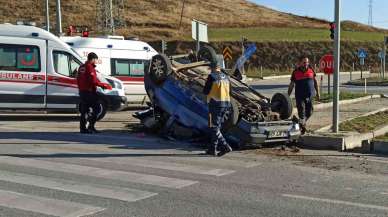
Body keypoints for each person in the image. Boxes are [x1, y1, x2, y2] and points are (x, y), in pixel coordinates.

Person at [203, 62, 233, 157]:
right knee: (217, 127)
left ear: (212, 68)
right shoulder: (226, 77)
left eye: (210, 68)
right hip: (226, 105)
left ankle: (225, 146)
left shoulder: (212, 77)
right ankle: (213, 148)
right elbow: (230, 92)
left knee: (213, 126)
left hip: (215, 104)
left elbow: (205, 91)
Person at [77, 52, 111, 134]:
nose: (96, 61)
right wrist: (104, 85)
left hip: (82, 92)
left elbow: (77, 79)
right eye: (96, 60)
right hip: (89, 92)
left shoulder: (81, 67)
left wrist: (81, 89)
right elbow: (93, 81)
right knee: (97, 108)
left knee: (84, 110)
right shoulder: (89, 67)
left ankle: (83, 129)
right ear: (93, 59)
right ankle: (91, 126)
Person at [288, 57, 320, 135]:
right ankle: (302, 129)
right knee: (301, 112)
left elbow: (315, 82)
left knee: (309, 112)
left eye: (307, 62)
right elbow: (291, 85)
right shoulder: (295, 72)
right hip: (300, 96)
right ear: (300, 63)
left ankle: (301, 123)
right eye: (304, 62)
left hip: (310, 95)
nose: (306, 64)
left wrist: (318, 93)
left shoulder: (311, 70)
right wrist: (287, 96)